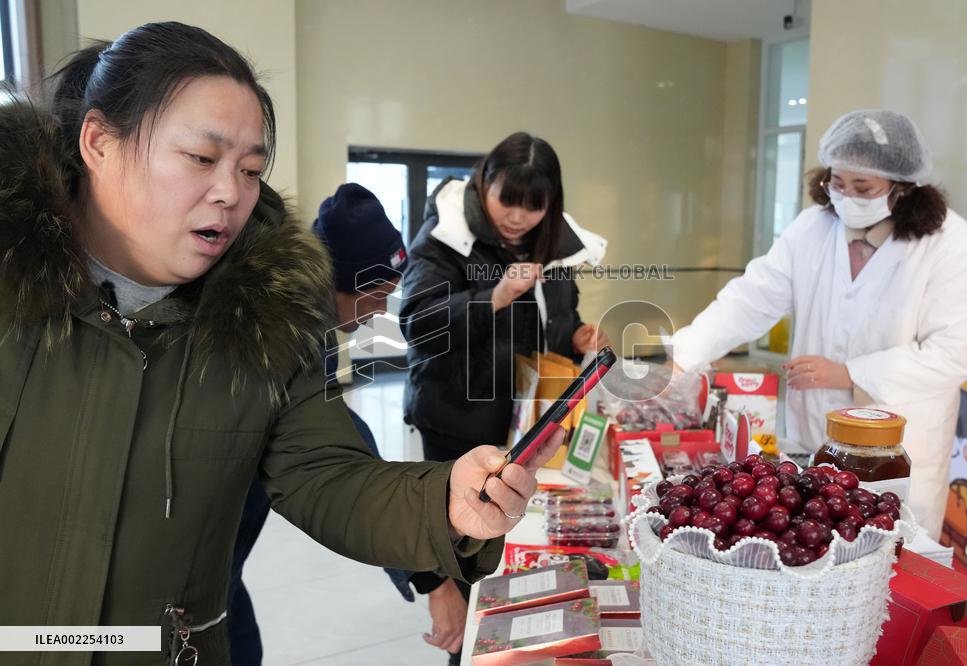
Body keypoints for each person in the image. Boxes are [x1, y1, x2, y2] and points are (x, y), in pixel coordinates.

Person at [0, 22, 562, 666]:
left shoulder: (266, 324)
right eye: (201, 158)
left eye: (249, 169)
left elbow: (328, 472)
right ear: (99, 142)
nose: (231, 192)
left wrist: (446, 505)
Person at [669, 109, 967, 537]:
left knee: (892, 570)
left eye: (864, 187)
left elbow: (952, 355)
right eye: (837, 183)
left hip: (896, 450)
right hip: (813, 438)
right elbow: (752, 297)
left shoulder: (953, 246)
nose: (847, 196)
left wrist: (847, 373)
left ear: (903, 188)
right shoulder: (813, 228)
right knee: (814, 553)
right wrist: (684, 353)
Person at [228, 183, 468, 664]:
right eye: (377, 295)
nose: (380, 312)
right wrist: (432, 576)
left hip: (218, 567)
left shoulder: (310, 325)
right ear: (341, 281)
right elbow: (349, 461)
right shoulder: (287, 340)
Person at [400, 132, 609, 659]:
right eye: (507, 200)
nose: (517, 217)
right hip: (457, 415)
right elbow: (418, 326)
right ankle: (465, 643)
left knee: (512, 550)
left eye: (533, 206)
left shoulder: (553, 246)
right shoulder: (445, 239)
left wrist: (577, 336)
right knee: (461, 544)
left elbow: (554, 326)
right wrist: (493, 296)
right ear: (483, 183)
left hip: (522, 421)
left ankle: (506, 641)